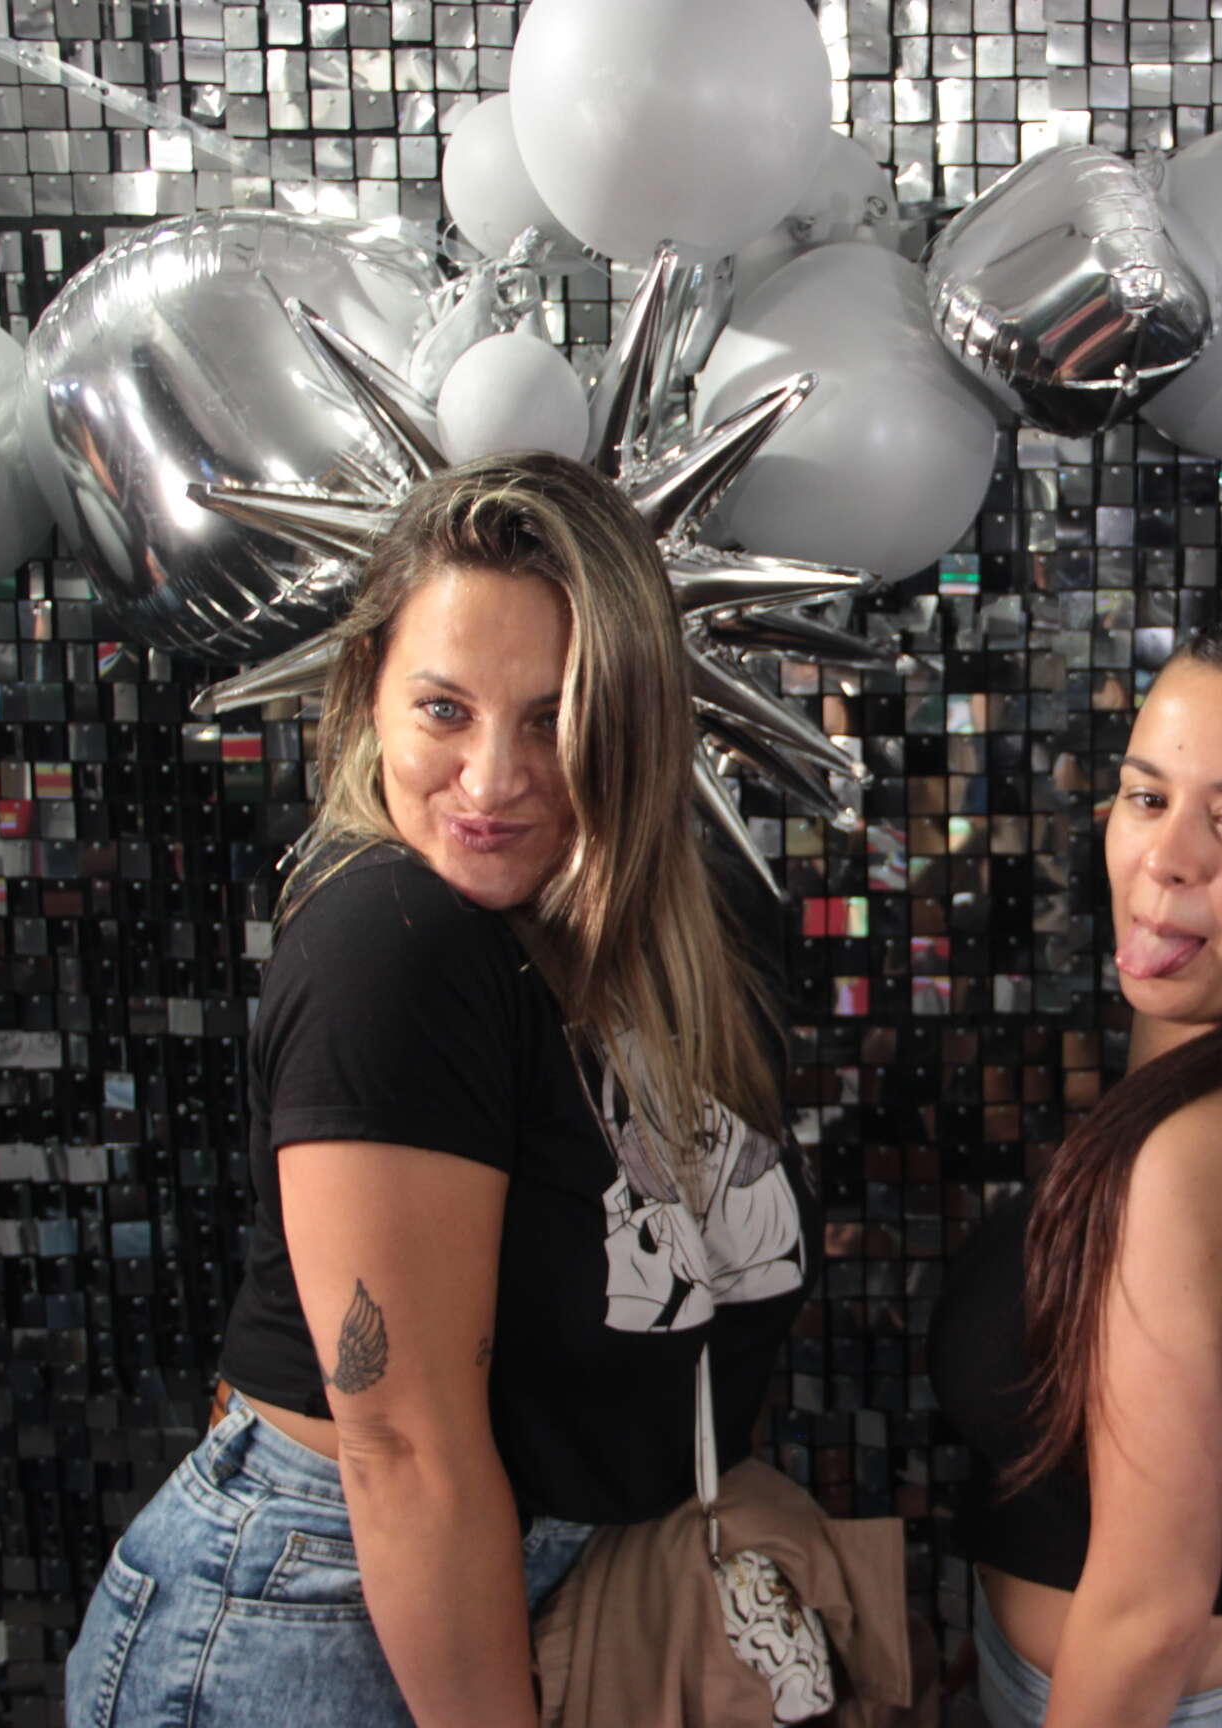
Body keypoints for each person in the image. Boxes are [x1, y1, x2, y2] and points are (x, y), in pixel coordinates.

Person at [65, 453, 820, 1728]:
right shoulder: (394, 943)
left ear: (633, 721)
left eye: (553, 717)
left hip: (480, 1598)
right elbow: (402, 1451)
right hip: (313, 1620)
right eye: (444, 710)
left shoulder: (629, 949)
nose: (491, 779)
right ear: (368, 695)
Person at [931, 603, 1222, 1728]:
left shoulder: (1220, 1142)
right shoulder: (1191, 1081)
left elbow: (1150, 1614)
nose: (1168, 856)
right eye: (1148, 799)